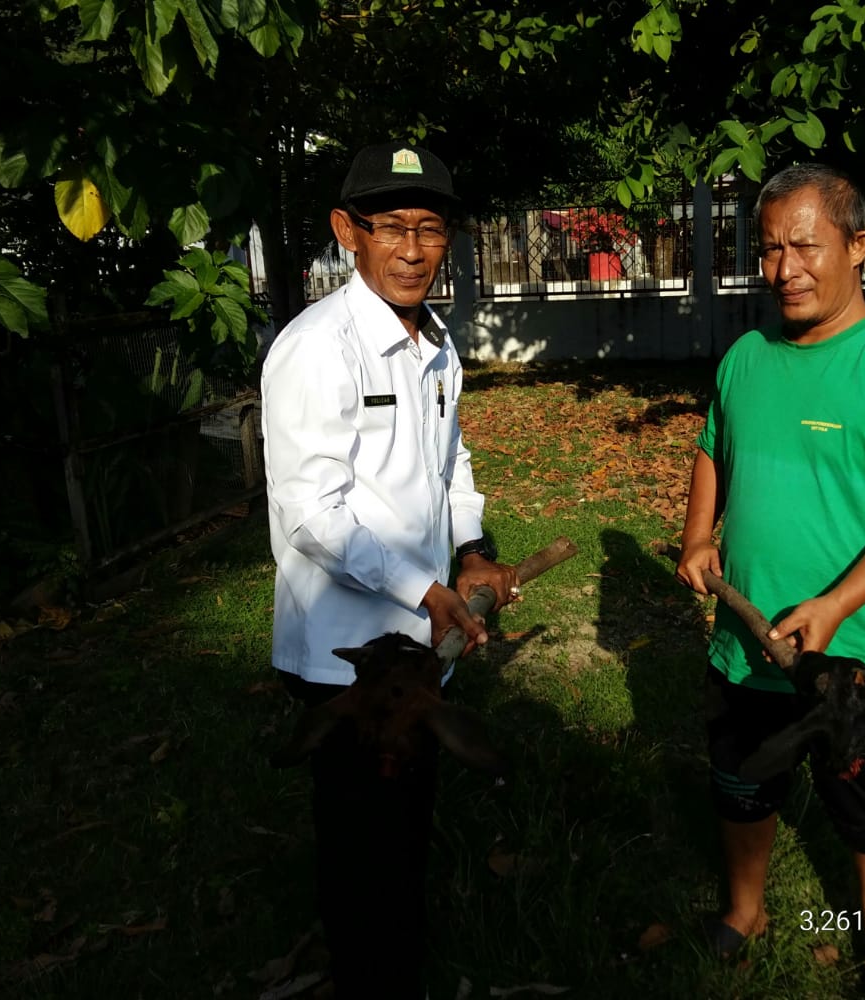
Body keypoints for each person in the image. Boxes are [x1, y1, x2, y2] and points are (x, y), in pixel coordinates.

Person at [675, 163, 865, 999]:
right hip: (747, 641)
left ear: (862, 246)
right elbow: (711, 448)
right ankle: (744, 913)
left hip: (854, 657)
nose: (784, 268)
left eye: (805, 245)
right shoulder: (747, 357)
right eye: (769, 248)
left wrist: (837, 602)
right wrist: (699, 535)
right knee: (741, 783)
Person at [261, 142, 519, 999]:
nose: (413, 249)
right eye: (393, 227)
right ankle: (366, 974)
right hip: (344, 654)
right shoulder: (316, 350)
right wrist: (427, 587)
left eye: (432, 229)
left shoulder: (435, 343)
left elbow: (450, 465)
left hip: (421, 638)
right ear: (348, 232)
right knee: (359, 834)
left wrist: (472, 547)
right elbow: (311, 513)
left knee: (407, 816)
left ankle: (395, 964)